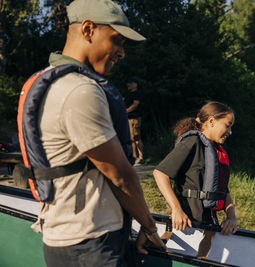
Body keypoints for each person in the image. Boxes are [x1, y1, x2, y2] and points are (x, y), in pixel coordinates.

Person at [17, 0, 165, 266]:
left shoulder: (50, 79)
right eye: (117, 41)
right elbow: (120, 175)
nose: (122, 53)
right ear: (87, 29)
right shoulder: (80, 91)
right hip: (92, 243)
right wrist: (149, 226)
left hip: (63, 236)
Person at [153, 101, 237, 257]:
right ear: (211, 121)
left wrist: (231, 217)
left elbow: (223, 190)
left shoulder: (215, 150)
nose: (230, 131)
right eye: (228, 125)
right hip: (186, 225)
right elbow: (160, 173)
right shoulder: (192, 142)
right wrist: (176, 210)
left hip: (208, 226)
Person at [125, 77, 144, 166]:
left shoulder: (137, 94)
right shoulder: (128, 94)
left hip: (135, 118)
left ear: (135, 84)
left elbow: (135, 104)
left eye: (130, 83)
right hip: (129, 118)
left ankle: (141, 157)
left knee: (136, 138)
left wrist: (125, 111)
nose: (128, 84)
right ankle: (134, 157)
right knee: (131, 138)